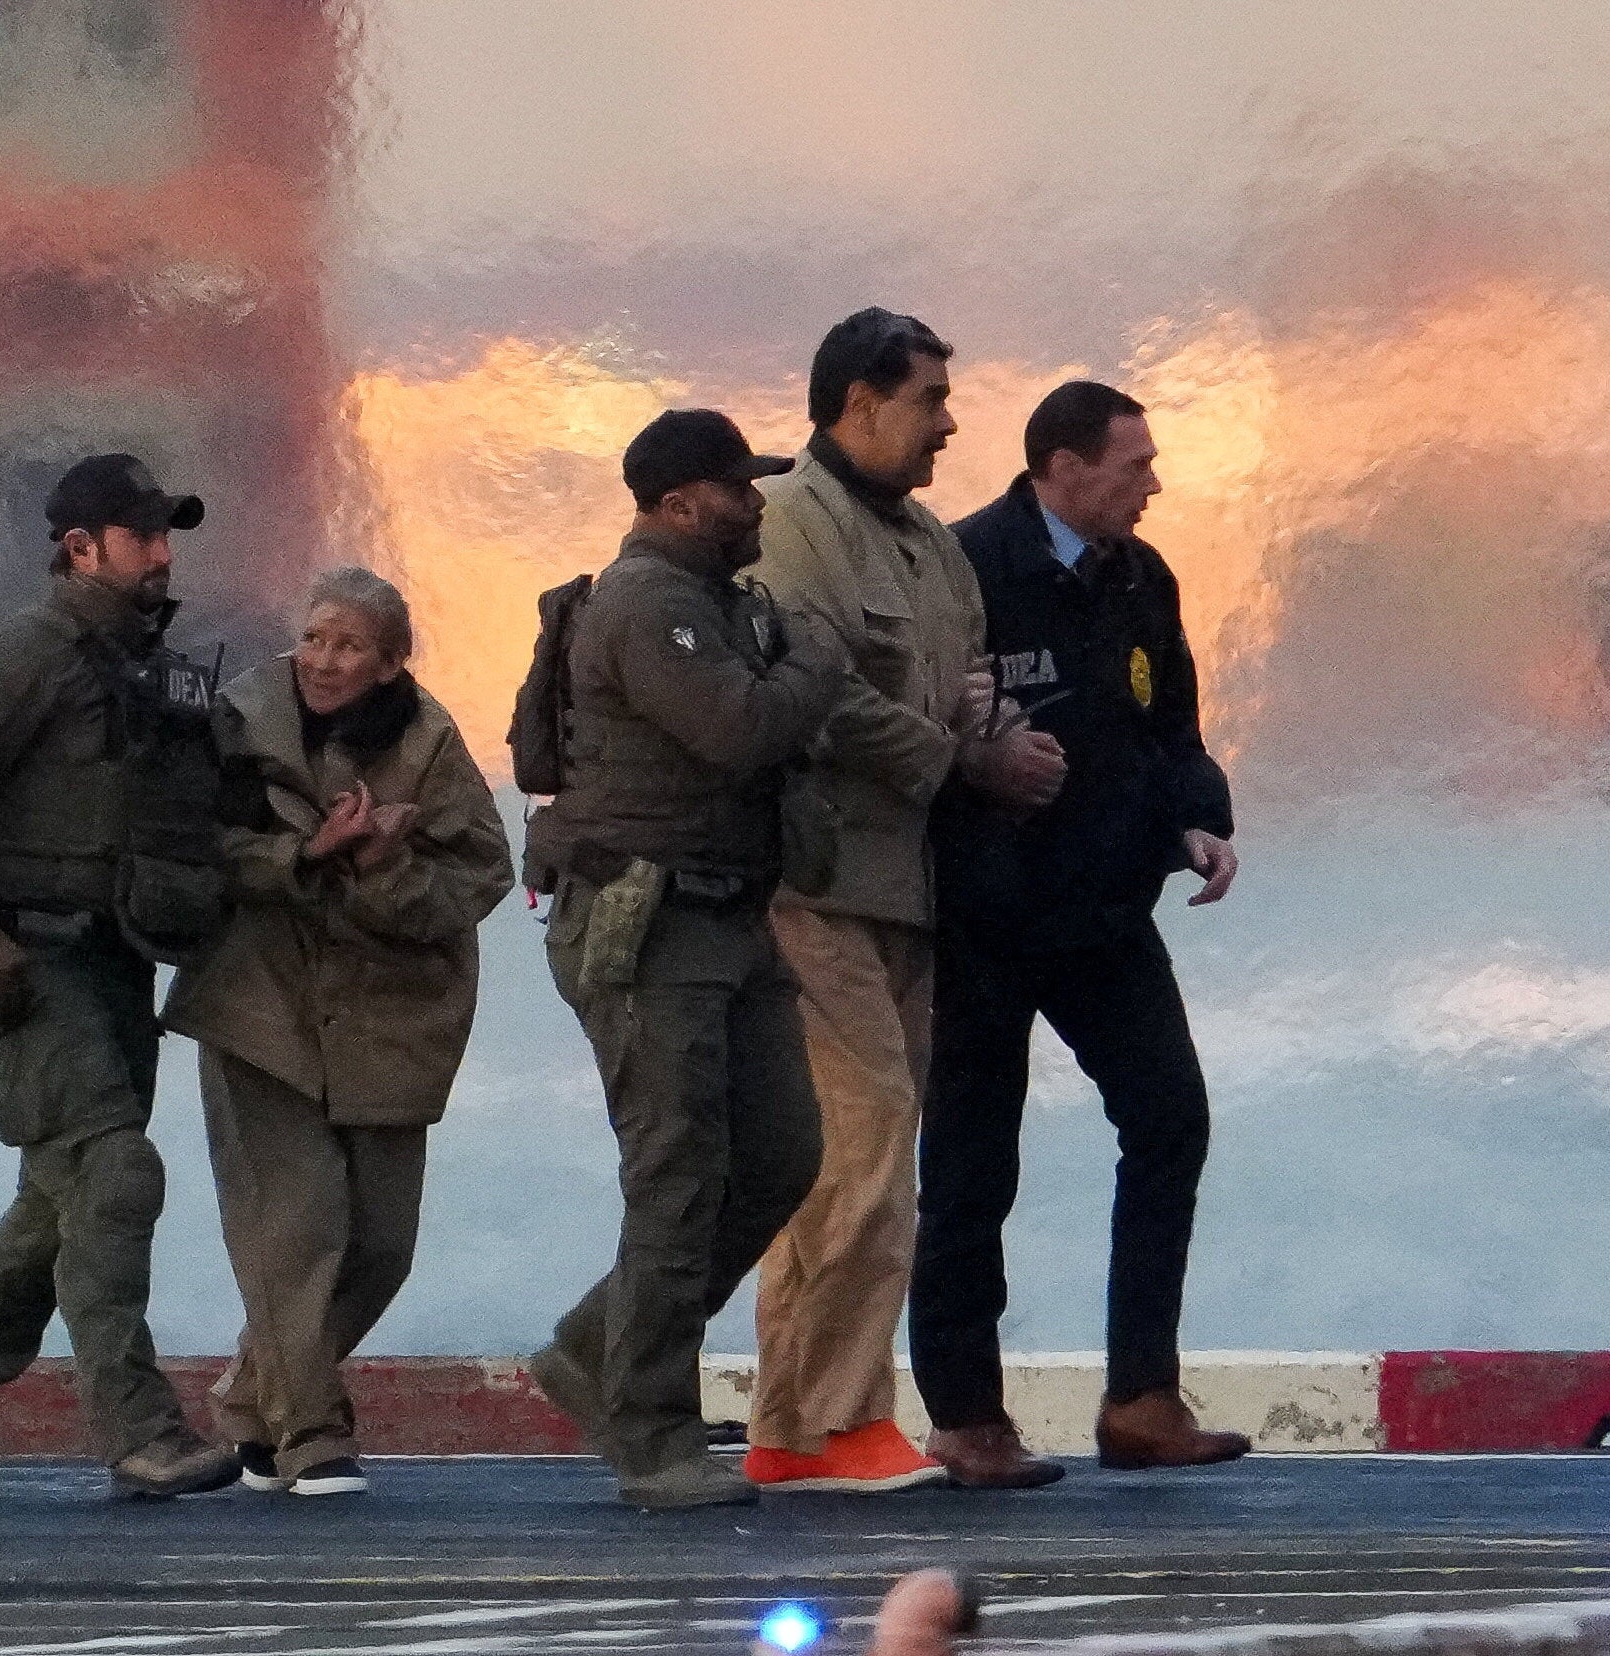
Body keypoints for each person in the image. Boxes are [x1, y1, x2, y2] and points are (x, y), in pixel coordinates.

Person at [0, 453, 240, 1501]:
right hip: (28, 964)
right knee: (117, 1174)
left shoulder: (152, 673)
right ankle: (139, 1432)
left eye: (168, 536)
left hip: (118, 964)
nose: (163, 555)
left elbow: (213, 805)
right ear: (80, 548)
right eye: (142, 536)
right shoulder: (25, 656)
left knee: (59, 1203)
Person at [743, 309, 1064, 1492]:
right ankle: (843, 1424)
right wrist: (965, 760)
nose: (948, 424)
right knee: (870, 1147)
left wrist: (1006, 737)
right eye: (928, 399)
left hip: (908, 893)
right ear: (858, 402)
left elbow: (966, 683)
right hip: (813, 885)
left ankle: (786, 1431)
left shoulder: (929, 544)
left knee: (839, 1166)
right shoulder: (786, 523)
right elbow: (816, 697)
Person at [910, 381, 1247, 1488]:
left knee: (1170, 1119)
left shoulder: (1141, 576)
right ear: (1062, 467)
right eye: (1133, 464)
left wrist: (1198, 819)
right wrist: (978, 766)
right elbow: (912, 728)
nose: (1153, 484)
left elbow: (1170, 726)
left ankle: (1141, 1398)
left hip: (1103, 910)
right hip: (986, 915)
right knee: (972, 1165)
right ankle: (966, 1416)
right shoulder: (963, 567)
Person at [520, 408, 846, 1510]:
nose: (752, 505)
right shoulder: (649, 604)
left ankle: (595, 1350)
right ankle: (652, 1434)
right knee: (677, 1172)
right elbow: (741, 729)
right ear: (672, 503)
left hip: (726, 914)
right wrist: (819, 657)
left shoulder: (718, 604)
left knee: (781, 1155)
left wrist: (793, 659)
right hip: (647, 923)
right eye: (732, 488)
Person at [164, 566, 512, 1498]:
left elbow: (481, 875)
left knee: (382, 1248)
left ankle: (252, 1407)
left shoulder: (430, 742)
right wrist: (302, 853)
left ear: (391, 662)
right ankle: (311, 1436)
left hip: (388, 1017)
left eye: (349, 645)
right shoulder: (236, 722)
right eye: (314, 637)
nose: (322, 659)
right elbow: (189, 847)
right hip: (259, 1003)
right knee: (295, 1233)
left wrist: (383, 863)